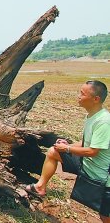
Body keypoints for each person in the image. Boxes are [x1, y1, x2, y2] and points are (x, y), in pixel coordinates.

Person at [25, 80, 110, 222]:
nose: (78, 96)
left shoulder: (103, 121)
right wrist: (68, 145)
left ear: (96, 99)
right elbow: (86, 143)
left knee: (105, 216)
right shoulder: (91, 116)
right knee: (53, 152)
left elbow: (93, 151)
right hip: (86, 164)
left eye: (82, 94)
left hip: (99, 175)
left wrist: (68, 148)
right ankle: (40, 187)